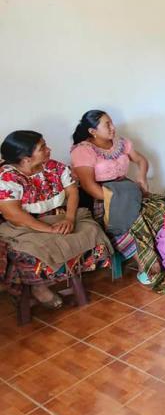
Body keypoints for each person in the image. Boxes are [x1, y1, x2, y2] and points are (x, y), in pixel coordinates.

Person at [0, 131, 112, 309]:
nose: (49, 149)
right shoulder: (7, 177)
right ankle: (39, 287)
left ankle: (66, 277)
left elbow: (72, 192)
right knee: (33, 247)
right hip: (27, 225)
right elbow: (13, 214)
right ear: (26, 158)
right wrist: (49, 229)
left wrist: (69, 218)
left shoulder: (54, 167)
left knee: (92, 230)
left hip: (61, 216)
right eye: (42, 147)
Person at [70, 109, 165, 284]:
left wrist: (141, 178)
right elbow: (89, 186)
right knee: (130, 220)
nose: (113, 127)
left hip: (126, 189)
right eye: (107, 125)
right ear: (92, 131)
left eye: (112, 123)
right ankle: (146, 264)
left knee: (158, 207)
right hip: (102, 197)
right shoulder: (83, 150)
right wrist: (118, 202)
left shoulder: (121, 143)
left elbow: (141, 160)